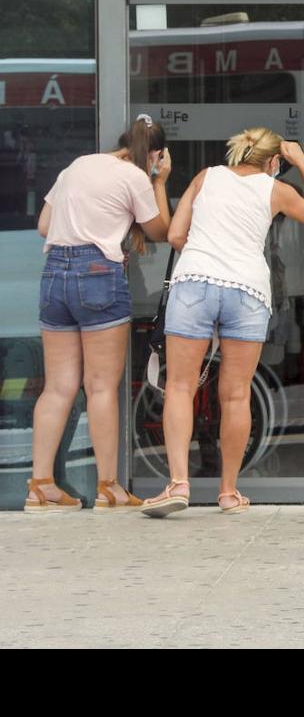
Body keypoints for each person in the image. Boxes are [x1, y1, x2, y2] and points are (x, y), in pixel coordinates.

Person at [141, 128, 304, 518]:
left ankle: (178, 484)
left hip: (195, 282)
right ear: (275, 162)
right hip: (247, 290)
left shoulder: (207, 176)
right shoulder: (275, 190)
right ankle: (228, 491)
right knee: (237, 394)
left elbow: (176, 235)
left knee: (178, 385)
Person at [26, 116, 172, 513]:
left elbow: (44, 225)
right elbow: (160, 231)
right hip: (98, 274)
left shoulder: (78, 165)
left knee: (58, 386)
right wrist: (159, 181)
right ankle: (109, 486)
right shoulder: (136, 177)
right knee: (102, 386)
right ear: (155, 154)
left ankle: (41, 485)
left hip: (55, 271)